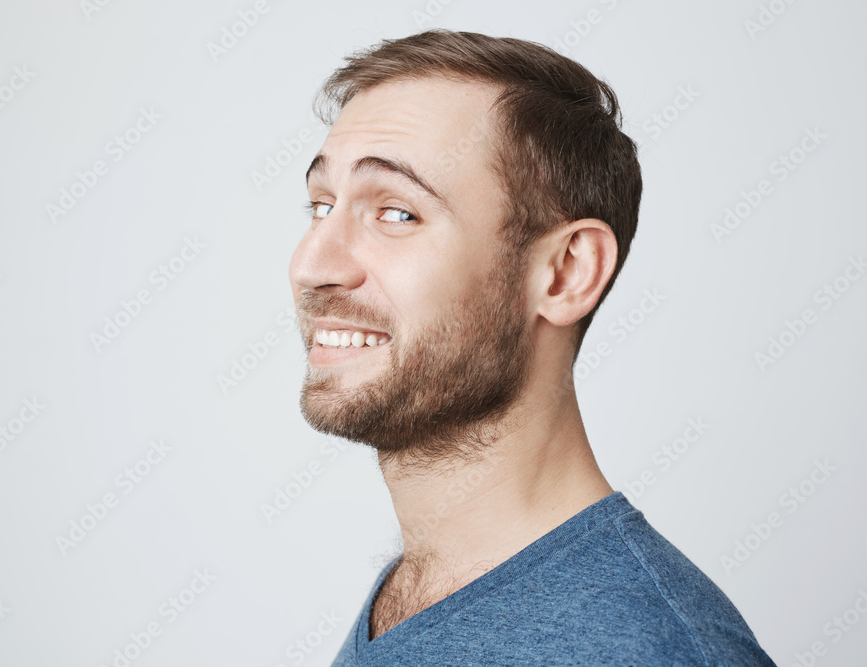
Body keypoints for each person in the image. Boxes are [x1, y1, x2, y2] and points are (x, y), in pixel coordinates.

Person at [288, 28, 776, 666]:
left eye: (397, 213)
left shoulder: (649, 651)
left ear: (567, 272)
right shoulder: (416, 591)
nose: (311, 264)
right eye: (321, 206)